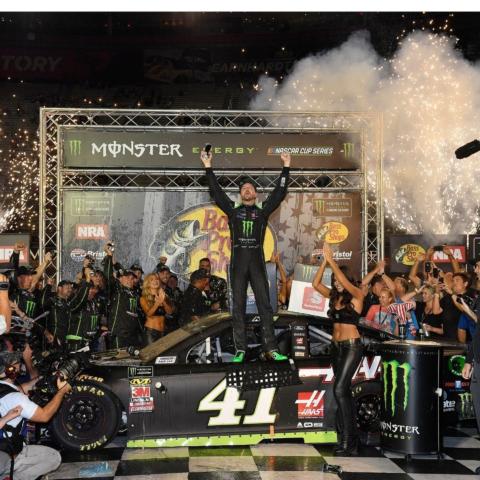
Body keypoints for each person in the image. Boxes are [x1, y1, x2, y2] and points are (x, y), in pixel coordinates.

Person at [201, 149, 290, 363]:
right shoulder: (233, 210)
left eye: (250, 188)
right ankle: (240, 349)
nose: (247, 190)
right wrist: (208, 167)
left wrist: (286, 167)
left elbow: (279, 193)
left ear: (256, 194)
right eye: (244, 189)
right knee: (237, 306)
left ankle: (271, 348)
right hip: (239, 264)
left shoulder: (262, 211)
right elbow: (216, 192)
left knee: (265, 306)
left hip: (257, 263)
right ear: (240, 194)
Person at [312, 243, 364, 456]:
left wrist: (332, 260)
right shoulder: (334, 298)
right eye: (334, 281)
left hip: (352, 346)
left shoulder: (357, 295)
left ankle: (348, 441)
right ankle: (349, 438)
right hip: (336, 348)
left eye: (339, 279)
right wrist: (324, 262)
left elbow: (342, 280)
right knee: (344, 393)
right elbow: (315, 284)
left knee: (341, 389)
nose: (336, 282)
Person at [0, 351, 70, 479]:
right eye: (17, 364)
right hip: (5, 455)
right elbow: (44, 416)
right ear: (10, 370)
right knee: (53, 457)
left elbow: (24, 387)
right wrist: (61, 392)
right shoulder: (16, 398)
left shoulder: (8, 390)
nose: (19, 367)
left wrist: (48, 377)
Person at [103, 243, 142, 348]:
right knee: (118, 363)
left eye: (132, 277)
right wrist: (109, 256)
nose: (130, 279)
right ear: (119, 279)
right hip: (119, 336)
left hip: (134, 336)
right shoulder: (116, 289)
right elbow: (107, 276)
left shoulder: (136, 292)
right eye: (127, 277)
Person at [140, 273, 173, 343]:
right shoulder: (144, 298)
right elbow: (148, 314)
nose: (155, 281)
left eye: (157, 279)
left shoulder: (164, 296)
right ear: (148, 283)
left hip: (163, 331)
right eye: (152, 280)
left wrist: (163, 300)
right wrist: (157, 303)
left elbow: (170, 312)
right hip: (151, 331)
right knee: (150, 353)